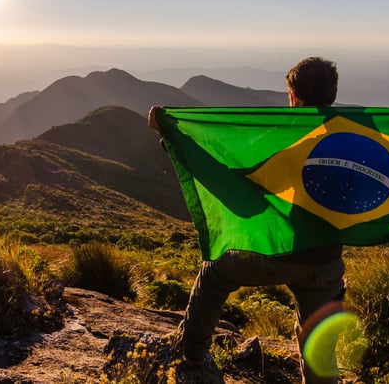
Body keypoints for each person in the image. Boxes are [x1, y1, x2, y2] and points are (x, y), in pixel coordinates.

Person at [148, 56, 346, 384]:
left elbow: (224, 173)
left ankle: (190, 360)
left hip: (269, 252)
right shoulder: (355, 141)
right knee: (318, 340)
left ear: (293, 97)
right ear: (332, 96)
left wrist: (171, 136)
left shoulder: (278, 137)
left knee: (214, 276)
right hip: (322, 261)